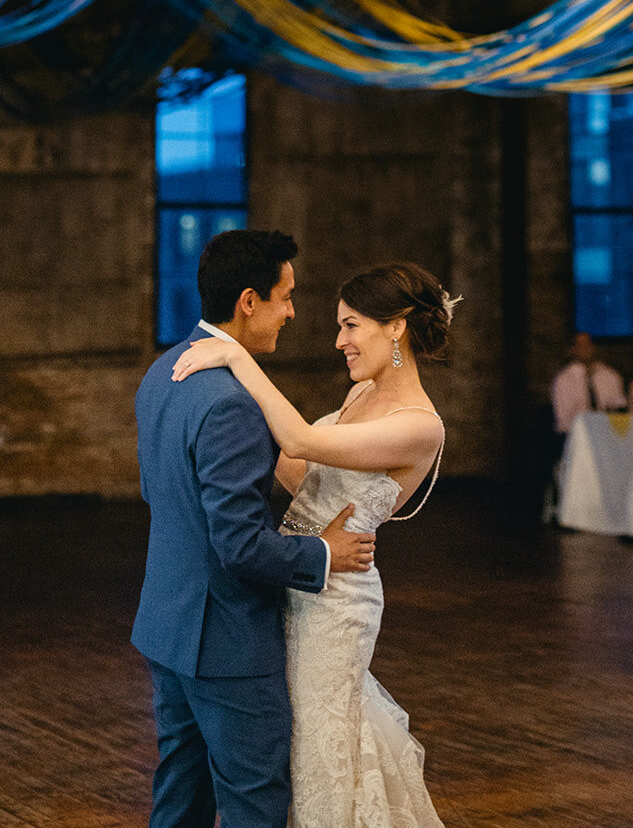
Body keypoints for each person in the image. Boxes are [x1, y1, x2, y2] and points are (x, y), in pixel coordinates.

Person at [173, 260, 453, 828]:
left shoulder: (421, 424)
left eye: (351, 326)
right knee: (292, 732)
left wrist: (234, 356)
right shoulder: (359, 397)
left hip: (338, 603)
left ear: (395, 327)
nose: (339, 341)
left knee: (318, 741)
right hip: (300, 573)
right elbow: (300, 472)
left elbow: (300, 437)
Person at [131, 229, 376, 828]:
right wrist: (323, 553)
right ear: (249, 301)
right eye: (285, 297)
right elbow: (240, 546)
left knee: (180, 801)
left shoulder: (163, 372)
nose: (293, 312)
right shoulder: (232, 402)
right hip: (226, 642)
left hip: (166, 623)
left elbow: (158, 495)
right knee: (254, 803)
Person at [551, 331, 626, 442]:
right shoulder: (563, 380)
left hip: (607, 438)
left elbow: (620, 409)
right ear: (573, 349)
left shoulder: (610, 376)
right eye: (580, 345)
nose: (585, 348)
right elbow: (563, 421)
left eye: (588, 344)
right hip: (574, 438)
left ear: (594, 347)